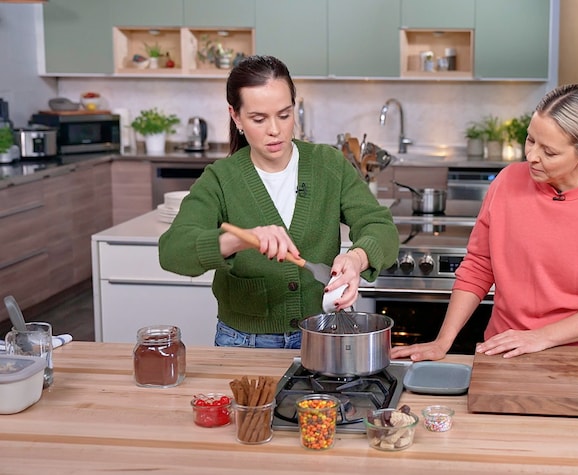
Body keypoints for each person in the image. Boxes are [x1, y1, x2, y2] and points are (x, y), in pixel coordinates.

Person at [391, 84, 578, 361]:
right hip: (506, 351)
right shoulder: (507, 182)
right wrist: (443, 341)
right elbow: (479, 266)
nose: (532, 156)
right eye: (530, 140)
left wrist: (540, 336)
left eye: (549, 152)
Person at [159, 55, 399, 349]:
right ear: (236, 117)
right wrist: (239, 240)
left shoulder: (328, 165)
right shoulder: (220, 179)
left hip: (322, 335)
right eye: (259, 119)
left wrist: (356, 259)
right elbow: (173, 251)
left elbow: (380, 226)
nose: (275, 130)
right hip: (244, 343)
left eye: (284, 115)